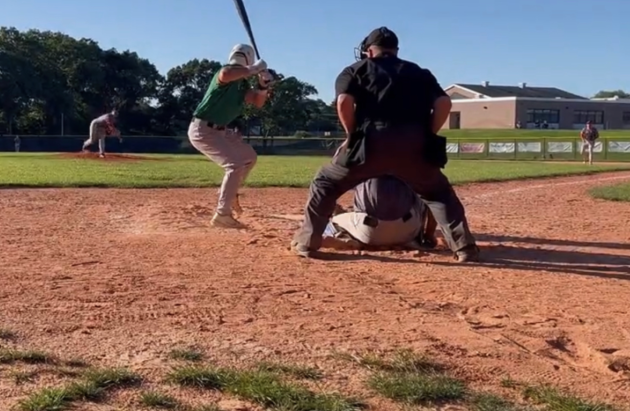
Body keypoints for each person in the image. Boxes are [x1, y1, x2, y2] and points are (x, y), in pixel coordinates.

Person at [290, 27, 479, 262]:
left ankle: (307, 243)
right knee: (438, 193)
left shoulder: (355, 70)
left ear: (369, 51)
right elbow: (444, 103)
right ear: (396, 50)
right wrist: (428, 133)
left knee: (325, 182)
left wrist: (351, 136)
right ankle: (464, 248)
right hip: (414, 144)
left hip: (370, 141)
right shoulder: (418, 72)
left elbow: (344, 101)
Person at [188, 43, 275, 229]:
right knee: (234, 166)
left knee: (249, 157)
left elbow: (257, 102)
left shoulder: (242, 84)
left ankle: (230, 192)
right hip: (203, 130)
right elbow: (226, 74)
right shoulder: (226, 72)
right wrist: (254, 69)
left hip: (220, 131)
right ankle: (222, 214)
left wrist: (262, 86)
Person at [328, 176, 438, 250]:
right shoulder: (412, 161)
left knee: (334, 220)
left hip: (368, 232)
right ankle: (417, 239)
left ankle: (349, 239)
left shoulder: (363, 161)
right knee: (425, 195)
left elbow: (331, 186)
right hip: (407, 231)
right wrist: (429, 236)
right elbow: (435, 199)